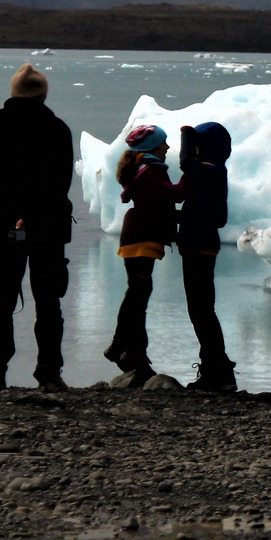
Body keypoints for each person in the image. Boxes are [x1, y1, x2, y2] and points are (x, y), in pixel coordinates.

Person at [0, 63, 75, 392]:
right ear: (42, 93)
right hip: (48, 228)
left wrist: (12, 215)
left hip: (4, 229)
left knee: (1, 299)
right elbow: (60, 183)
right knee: (49, 301)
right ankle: (48, 374)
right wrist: (32, 214)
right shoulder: (57, 129)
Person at [106, 124, 185, 380]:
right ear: (152, 147)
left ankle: (133, 351)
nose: (167, 147)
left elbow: (157, 202)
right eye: (164, 143)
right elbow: (175, 194)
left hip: (137, 236)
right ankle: (121, 346)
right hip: (141, 237)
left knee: (138, 293)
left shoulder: (144, 170)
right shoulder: (151, 172)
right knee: (137, 295)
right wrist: (192, 173)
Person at [177, 122, 237, 391]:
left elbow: (186, 162)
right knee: (202, 309)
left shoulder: (210, 171)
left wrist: (186, 135)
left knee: (200, 310)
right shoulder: (216, 173)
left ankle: (219, 371)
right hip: (203, 244)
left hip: (197, 246)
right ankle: (214, 367)